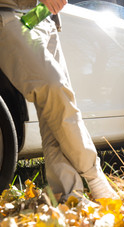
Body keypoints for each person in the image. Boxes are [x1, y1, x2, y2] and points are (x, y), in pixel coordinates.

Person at [0, 0, 118, 201]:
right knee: (53, 87)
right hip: (9, 11)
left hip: (43, 16)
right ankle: (94, 176)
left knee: (54, 108)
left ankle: (69, 194)